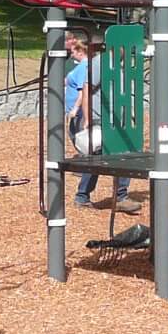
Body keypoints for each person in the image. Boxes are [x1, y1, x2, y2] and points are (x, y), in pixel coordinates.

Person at [65, 35, 132, 210]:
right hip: (100, 118)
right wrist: (88, 118)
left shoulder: (116, 65)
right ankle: (119, 197)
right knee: (117, 155)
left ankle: (85, 196)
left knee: (103, 157)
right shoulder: (100, 63)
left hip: (114, 119)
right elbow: (86, 90)